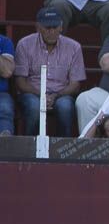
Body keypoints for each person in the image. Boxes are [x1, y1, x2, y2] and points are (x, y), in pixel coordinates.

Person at [14, 7, 86, 137]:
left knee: (65, 107)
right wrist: (42, 95)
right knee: (34, 107)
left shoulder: (74, 47)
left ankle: (63, 150)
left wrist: (55, 96)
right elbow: (20, 81)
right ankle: (29, 148)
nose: (51, 31)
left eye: (55, 27)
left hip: (61, 94)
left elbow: (75, 84)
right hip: (32, 93)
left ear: (61, 27)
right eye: (47, 28)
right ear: (38, 27)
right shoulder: (24, 44)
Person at [0, 34, 15, 135]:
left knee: (5, 106)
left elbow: (7, 72)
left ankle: (6, 142)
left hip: (1, 93)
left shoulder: (4, 42)